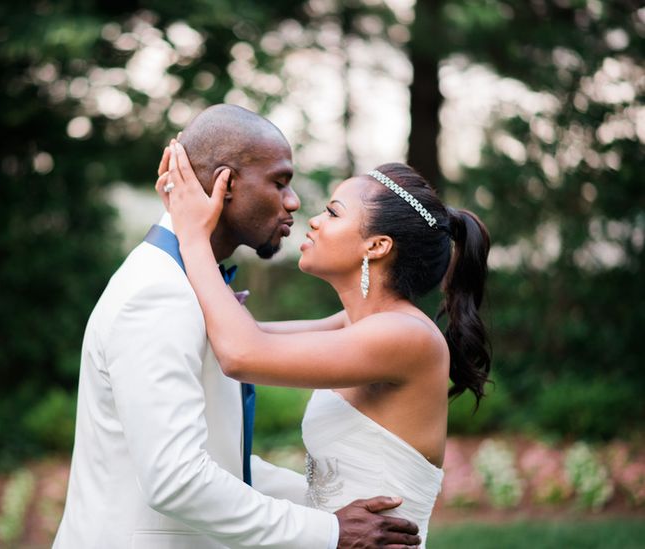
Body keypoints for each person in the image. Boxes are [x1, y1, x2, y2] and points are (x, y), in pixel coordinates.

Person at [53, 104, 422, 549]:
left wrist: (327, 503)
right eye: (279, 182)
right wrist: (330, 531)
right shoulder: (158, 294)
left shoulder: (188, 284)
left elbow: (221, 460)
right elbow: (177, 479)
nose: (293, 202)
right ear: (225, 184)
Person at [157, 140, 492, 548]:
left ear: (377, 246)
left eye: (333, 212)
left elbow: (243, 354)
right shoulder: (356, 324)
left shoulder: (405, 336)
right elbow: (243, 335)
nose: (313, 221)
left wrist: (193, 235)